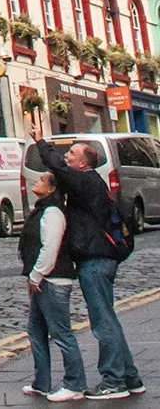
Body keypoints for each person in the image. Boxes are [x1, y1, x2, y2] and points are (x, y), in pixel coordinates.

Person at [32, 130, 144, 400]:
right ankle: (130, 378)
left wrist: (41, 143)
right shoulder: (88, 183)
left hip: (95, 260)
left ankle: (113, 381)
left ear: (83, 163)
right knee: (109, 320)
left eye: (72, 153)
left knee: (103, 323)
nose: (66, 156)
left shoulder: (86, 181)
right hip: (98, 259)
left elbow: (56, 166)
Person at [19, 171, 86, 402]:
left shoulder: (53, 212)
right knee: (36, 332)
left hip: (53, 281)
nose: (35, 182)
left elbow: (50, 249)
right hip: (43, 280)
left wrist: (36, 275)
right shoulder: (43, 210)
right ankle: (42, 382)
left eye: (41, 180)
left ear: (51, 189)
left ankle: (75, 384)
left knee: (61, 334)